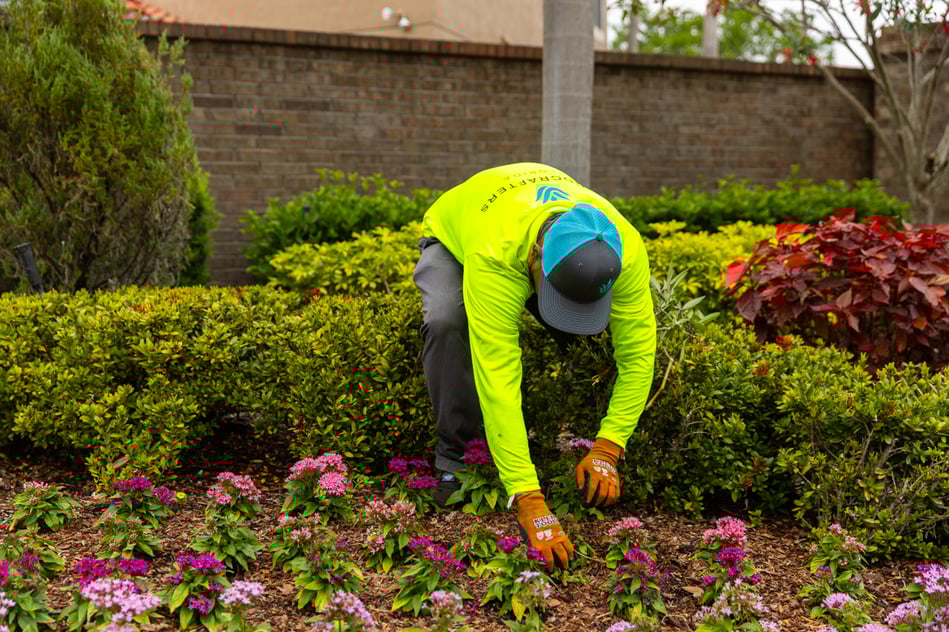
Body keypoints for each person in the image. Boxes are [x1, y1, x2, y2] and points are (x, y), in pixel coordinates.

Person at [412, 162, 657, 571]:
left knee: (586, 332)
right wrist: (528, 496)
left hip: (538, 214)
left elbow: (638, 356)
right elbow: (498, 375)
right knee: (448, 321)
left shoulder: (625, 247)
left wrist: (608, 446)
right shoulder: (494, 252)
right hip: (466, 227)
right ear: (536, 259)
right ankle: (453, 458)